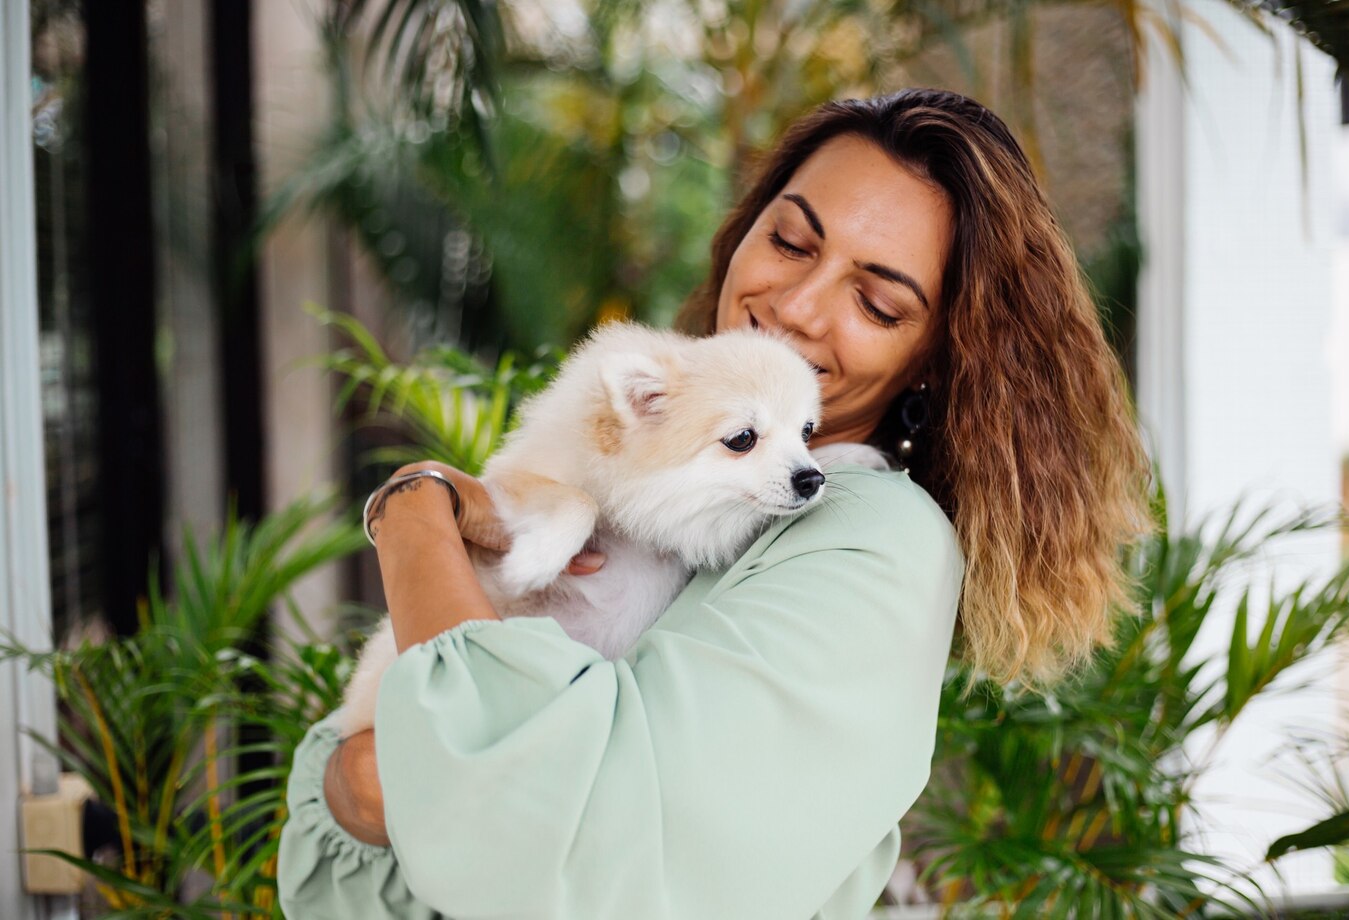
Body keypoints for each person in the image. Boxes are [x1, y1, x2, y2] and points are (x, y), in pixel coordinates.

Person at [277, 88, 1149, 919]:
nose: (798, 308)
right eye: (791, 243)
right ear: (741, 234)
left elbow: (515, 829)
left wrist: (413, 515)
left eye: (877, 302)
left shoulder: (877, 543)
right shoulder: (662, 474)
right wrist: (383, 779)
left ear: (935, 352)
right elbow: (368, 828)